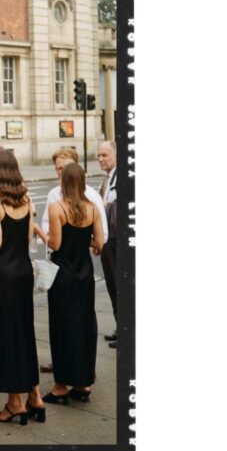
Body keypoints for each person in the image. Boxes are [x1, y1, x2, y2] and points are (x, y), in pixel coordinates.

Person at [0, 150, 45, 424]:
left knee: (6, 336)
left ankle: (14, 403)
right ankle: (34, 395)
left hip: (2, 274)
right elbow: (28, 237)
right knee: (24, 332)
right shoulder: (25, 200)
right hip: (23, 271)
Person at [43, 162, 104, 405]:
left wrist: (39, 231)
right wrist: (82, 240)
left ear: (64, 182)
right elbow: (98, 242)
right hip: (84, 275)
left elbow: (55, 244)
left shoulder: (57, 207)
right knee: (83, 326)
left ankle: (60, 387)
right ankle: (83, 382)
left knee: (62, 328)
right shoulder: (92, 209)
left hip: (63, 275)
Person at [97, 140, 118, 347]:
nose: (101, 159)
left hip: (118, 242)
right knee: (112, 286)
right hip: (107, 241)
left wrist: (106, 206)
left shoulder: (123, 178)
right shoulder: (106, 179)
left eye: (105, 155)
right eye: (99, 156)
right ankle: (120, 326)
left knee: (121, 286)